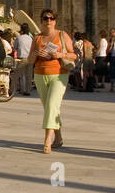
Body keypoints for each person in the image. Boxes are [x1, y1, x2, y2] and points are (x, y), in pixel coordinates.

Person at [29, 9, 74, 153]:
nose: (48, 21)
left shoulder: (62, 35)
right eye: (45, 18)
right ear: (41, 21)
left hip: (59, 74)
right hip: (40, 74)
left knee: (52, 105)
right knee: (50, 107)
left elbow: (74, 55)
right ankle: (59, 137)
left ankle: (47, 140)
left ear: (55, 20)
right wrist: (36, 53)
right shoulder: (37, 38)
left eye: (51, 18)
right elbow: (30, 60)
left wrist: (59, 54)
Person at [12, 23, 34, 96]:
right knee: (29, 75)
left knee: (16, 75)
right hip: (30, 58)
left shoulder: (19, 38)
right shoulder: (30, 38)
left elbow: (14, 48)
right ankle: (28, 91)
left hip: (21, 58)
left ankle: (12, 90)